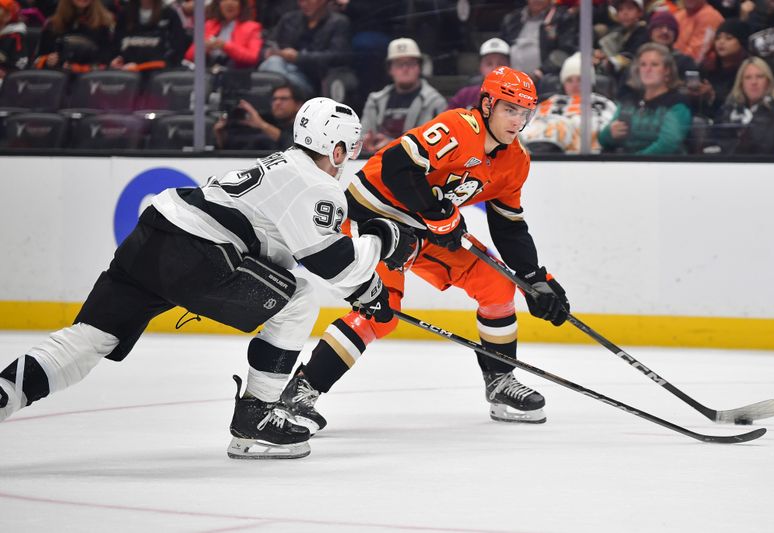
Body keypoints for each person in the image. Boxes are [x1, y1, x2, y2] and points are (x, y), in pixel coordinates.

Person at [0, 97, 419, 460]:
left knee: (89, 339)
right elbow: (333, 266)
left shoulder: (283, 166)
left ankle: (5, 393)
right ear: (339, 147)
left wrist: (369, 291)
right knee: (300, 299)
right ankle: (256, 419)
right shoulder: (315, 183)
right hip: (199, 253)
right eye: (351, 146)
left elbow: (312, 255)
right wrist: (384, 239)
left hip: (155, 234)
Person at [277, 66, 571, 435]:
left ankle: (500, 382)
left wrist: (534, 278)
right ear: (486, 104)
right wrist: (437, 213)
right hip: (375, 216)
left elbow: (509, 225)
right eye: (509, 109)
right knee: (379, 313)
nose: (518, 121)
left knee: (498, 286)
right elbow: (399, 166)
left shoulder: (515, 162)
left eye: (524, 113)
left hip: (427, 228)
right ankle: (302, 390)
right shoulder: (459, 127)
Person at [599, 43, 692, 154]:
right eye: (643, 65)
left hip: (664, 168)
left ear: (667, 70)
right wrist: (610, 134)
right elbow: (602, 140)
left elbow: (668, 144)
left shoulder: (677, 104)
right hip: (626, 165)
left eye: (654, 65)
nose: (647, 69)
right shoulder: (629, 100)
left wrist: (634, 162)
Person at [360, 37, 447, 156]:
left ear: (419, 67)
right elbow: (361, 136)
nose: (405, 69)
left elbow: (439, 146)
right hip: (375, 163)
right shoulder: (375, 100)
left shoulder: (435, 102)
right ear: (390, 69)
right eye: (399, 64)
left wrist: (392, 145)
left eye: (410, 63)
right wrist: (365, 143)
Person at [521, 52, 617, 153]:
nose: (575, 85)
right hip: (534, 151)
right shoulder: (549, 101)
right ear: (563, 84)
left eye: (580, 79)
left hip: (582, 156)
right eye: (569, 80)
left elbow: (606, 128)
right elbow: (530, 124)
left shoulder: (603, 103)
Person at [258, 0, 351, 97]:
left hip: (316, 77)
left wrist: (299, 57)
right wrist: (268, 52)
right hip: (285, 68)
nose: (303, 4)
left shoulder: (338, 22)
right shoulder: (289, 19)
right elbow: (268, 43)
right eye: (301, 1)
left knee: (273, 65)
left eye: (308, 1)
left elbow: (337, 56)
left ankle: (286, 96)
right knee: (273, 62)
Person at [710, 56, 774, 154]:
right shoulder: (728, 110)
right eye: (748, 78)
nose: (754, 82)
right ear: (741, 83)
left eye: (760, 77)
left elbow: (765, 147)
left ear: (768, 81)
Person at [500, 0, 578, 80]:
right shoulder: (511, 19)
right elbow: (501, 50)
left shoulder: (563, 18)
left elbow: (565, 51)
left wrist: (540, 73)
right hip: (511, 81)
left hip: (546, 80)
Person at [214, 82, 306, 150]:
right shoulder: (264, 121)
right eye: (274, 99)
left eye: (283, 99)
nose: (277, 103)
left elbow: (295, 147)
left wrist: (262, 125)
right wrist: (221, 137)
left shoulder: (304, 127)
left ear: (298, 104)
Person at [691, 18, 750, 118]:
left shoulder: (748, 70)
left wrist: (713, 96)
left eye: (728, 38)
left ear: (741, 42)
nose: (721, 42)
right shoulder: (707, 68)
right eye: (718, 38)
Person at [33, 0, 114, 72]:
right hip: (58, 77)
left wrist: (79, 68)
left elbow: (106, 61)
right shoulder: (52, 25)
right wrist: (48, 60)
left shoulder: (103, 24)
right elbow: (37, 60)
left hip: (91, 78)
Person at [110, 0, 187, 74]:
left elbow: (178, 48)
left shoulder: (169, 14)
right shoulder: (124, 14)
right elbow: (117, 46)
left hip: (160, 72)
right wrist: (118, 60)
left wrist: (141, 66)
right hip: (128, 71)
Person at [184, 0, 262, 70]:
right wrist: (204, 47)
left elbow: (253, 57)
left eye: (235, 0)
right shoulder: (209, 25)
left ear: (241, 5)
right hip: (209, 72)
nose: (229, 3)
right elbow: (189, 56)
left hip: (236, 74)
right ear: (218, 4)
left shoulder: (252, 27)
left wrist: (225, 46)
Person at [448, 37, 511, 110]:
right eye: (489, 64)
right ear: (480, 67)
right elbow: (444, 120)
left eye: (500, 64)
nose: (495, 68)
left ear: (510, 67)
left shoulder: (520, 97)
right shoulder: (465, 96)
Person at [595, 0, 649, 80]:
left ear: (640, 12)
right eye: (620, 9)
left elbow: (628, 58)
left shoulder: (643, 33)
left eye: (630, 9)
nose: (625, 13)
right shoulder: (617, 34)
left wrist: (607, 61)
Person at [646, 10, 697, 80]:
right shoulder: (641, 58)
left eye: (670, 28)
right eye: (659, 27)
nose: (665, 31)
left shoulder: (686, 62)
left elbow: (692, 87)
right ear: (651, 33)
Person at [673, 0, 724, 64]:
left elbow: (697, 55)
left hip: (698, 69)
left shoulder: (710, 16)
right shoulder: (678, 15)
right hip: (675, 64)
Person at [0, 0, 28, 78]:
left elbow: (21, 64)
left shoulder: (16, 36)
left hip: (7, 80)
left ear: (8, 16)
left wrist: (7, 73)